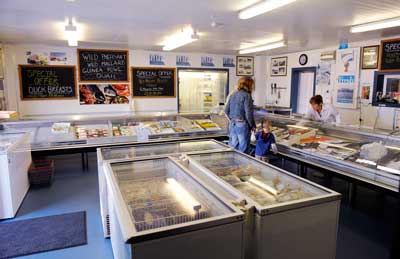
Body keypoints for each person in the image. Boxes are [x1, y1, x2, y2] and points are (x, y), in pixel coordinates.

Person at [224, 77, 256, 153]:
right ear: (249, 85)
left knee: (233, 148)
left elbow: (226, 110)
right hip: (242, 124)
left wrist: (232, 119)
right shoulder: (247, 96)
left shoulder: (233, 95)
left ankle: (232, 164)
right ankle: (242, 165)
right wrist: (253, 126)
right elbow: (249, 114)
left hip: (232, 124)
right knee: (243, 149)